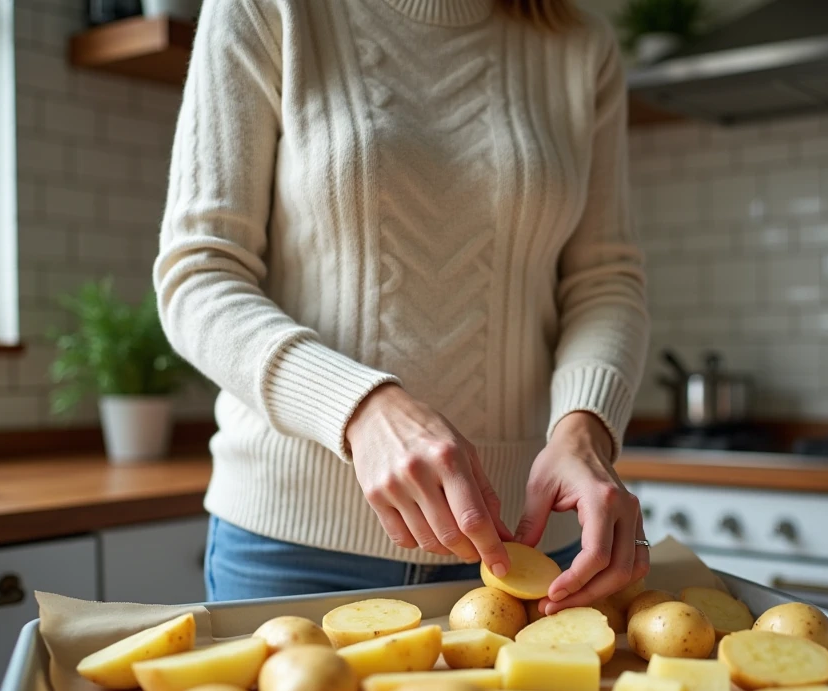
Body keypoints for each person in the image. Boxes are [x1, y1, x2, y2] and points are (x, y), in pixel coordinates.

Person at [154, 0, 649, 615]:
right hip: (292, 552)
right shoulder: (268, 9)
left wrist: (585, 432)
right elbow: (198, 274)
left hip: (528, 553)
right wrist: (360, 408)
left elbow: (603, 282)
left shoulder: (579, 42)